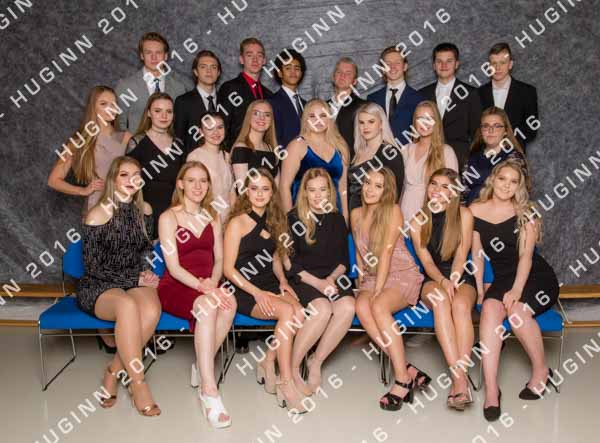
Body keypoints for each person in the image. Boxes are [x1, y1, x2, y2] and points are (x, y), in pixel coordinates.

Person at [470, 159, 559, 422]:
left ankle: (542, 372)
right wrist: (479, 290)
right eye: (502, 179)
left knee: (517, 312)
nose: (506, 185)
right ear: (493, 179)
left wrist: (517, 291)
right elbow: (476, 255)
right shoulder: (475, 210)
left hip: (535, 277)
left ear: (519, 186)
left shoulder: (526, 212)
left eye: (513, 181)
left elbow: (526, 258)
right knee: (489, 309)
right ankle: (491, 390)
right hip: (503, 277)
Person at [76, 156, 161, 416]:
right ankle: (138, 383)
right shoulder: (97, 215)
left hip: (132, 278)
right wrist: (134, 280)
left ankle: (113, 371)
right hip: (98, 285)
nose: (131, 180)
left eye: (136, 175)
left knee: (151, 309)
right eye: (124, 175)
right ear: (113, 179)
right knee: (126, 305)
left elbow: (144, 251)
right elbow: (92, 268)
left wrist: (146, 273)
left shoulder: (145, 210)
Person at [222, 169, 308, 413]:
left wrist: (282, 281)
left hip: (269, 283)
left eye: (265, 189)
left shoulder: (273, 219)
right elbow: (228, 269)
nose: (259, 194)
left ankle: (267, 361)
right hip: (244, 288)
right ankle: (286, 382)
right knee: (288, 314)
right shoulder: (237, 223)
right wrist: (257, 293)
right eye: (254, 188)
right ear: (246, 192)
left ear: (272, 193)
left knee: (300, 313)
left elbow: (274, 258)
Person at [157, 161, 235, 428]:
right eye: (191, 180)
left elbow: (219, 259)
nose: (198, 186)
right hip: (177, 284)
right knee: (209, 305)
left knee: (229, 303)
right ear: (180, 184)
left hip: (208, 283)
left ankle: (201, 366)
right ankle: (209, 390)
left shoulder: (213, 216)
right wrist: (204, 288)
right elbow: (173, 267)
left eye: (203, 180)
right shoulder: (168, 218)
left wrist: (213, 281)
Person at [352, 167, 429, 411]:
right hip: (372, 276)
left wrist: (378, 290)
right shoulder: (355, 214)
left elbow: (386, 253)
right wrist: (362, 281)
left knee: (378, 306)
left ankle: (402, 380)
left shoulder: (393, 211)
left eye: (378, 186)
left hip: (400, 273)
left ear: (386, 191)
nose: (370, 189)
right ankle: (406, 367)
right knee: (361, 306)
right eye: (367, 183)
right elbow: (360, 253)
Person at [409, 168, 476, 411]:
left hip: (459, 274)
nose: (437, 190)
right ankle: (459, 381)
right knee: (440, 301)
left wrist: (453, 279)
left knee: (460, 305)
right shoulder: (417, 221)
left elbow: (462, 253)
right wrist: (442, 281)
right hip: (432, 278)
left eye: (445, 186)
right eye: (434, 184)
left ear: (454, 192)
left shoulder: (464, 214)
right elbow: (426, 262)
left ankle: (460, 378)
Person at [285, 168, 356, 396]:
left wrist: (331, 279)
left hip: (331, 277)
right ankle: (292, 368)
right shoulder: (292, 218)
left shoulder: (337, 219)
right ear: (304, 192)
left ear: (330, 192)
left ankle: (315, 361)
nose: (317, 195)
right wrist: (319, 284)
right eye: (312, 190)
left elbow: (343, 261)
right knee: (322, 309)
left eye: (322, 190)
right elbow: (289, 264)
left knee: (348, 306)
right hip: (304, 278)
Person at [48, 86, 132, 215]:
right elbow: (53, 180)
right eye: (103, 104)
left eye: (113, 104)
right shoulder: (78, 141)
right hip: (97, 206)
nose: (111, 108)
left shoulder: (126, 137)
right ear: (93, 107)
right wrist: (82, 191)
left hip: (126, 205)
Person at [280, 99, 350, 221]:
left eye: (323, 115)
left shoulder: (340, 146)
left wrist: (345, 218)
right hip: (304, 216)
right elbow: (284, 186)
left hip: (334, 216)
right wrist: (290, 221)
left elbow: (343, 188)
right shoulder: (297, 145)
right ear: (305, 120)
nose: (318, 120)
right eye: (312, 116)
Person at [127, 92, 185, 238]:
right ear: (148, 113)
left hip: (172, 213)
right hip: (142, 213)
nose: (164, 116)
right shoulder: (136, 142)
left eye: (169, 111)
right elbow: (126, 183)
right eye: (158, 111)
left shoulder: (178, 144)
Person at [419, 43, 481, 167]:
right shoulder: (422, 94)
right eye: (439, 61)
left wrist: (470, 160)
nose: (444, 65)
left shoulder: (470, 93)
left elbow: (477, 133)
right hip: (426, 158)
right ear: (434, 65)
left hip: (459, 158)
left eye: (449, 61)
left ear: (456, 64)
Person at [115, 32, 189, 133]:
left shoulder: (179, 88)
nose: (154, 57)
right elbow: (119, 125)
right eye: (148, 52)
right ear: (142, 56)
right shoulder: (126, 86)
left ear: (166, 56)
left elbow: (182, 124)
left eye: (158, 52)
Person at [400, 100, 458, 223]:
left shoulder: (446, 152)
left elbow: (453, 191)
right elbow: (401, 188)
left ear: (436, 122)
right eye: (420, 118)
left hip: (432, 214)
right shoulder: (406, 149)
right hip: (405, 210)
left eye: (429, 118)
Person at [462, 107, 529, 206]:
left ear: (505, 131)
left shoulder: (514, 158)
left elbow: (518, 195)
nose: (491, 130)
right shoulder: (471, 156)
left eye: (497, 126)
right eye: (486, 126)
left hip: (501, 212)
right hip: (471, 210)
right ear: (481, 131)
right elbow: (463, 194)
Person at [479, 42, 539, 152]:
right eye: (494, 63)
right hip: (485, 154)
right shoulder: (478, 93)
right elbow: (474, 128)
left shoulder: (527, 92)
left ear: (510, 64)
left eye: (502, 63)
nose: (497, 67)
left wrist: (506, 143)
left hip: (514, 154)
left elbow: (531, 129)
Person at [348, 102, 405, 212]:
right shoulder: (355, 152)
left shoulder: (390, 153)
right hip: (354, 212)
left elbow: (394, 194)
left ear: (381, 124)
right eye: (361, 122)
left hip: (378, 214)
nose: (365, 127)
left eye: (371, 122)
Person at [218, 37, 273, 150]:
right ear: (241, 59)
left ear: (264, 60)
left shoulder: (269, 94)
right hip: (236, 152)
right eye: (249, 55)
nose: (255, 60)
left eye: (259, 55)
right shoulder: (229, 88)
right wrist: (228, 154)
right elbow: (222, 125)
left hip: (263, 153)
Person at [367, 46, 423, 143]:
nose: (392, 67)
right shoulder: (372, 99)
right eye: (388, 64)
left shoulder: (419, 99)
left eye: (397, 63)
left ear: (405, 66)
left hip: (408, 151)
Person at [187, 112, 235, 221]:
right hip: (205, 219)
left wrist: (233, 219)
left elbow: (232, 192)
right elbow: (192, 195)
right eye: (210, 128)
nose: (216, 132)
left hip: (228, 220)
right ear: (201, 131)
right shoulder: (195, 157)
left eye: (220, 127)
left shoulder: (227, 156)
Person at [174, 50, 222, 153]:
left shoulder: (226, 100)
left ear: (218, 72)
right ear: (195, 72)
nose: (209, 71)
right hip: (193, 159)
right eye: (203, 67)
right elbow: (179, 139)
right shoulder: (183, 102)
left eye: (213, 67)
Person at [230, 100, 280, 185]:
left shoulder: (271, 149)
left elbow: (276, 188)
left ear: (271, 121)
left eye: (267, 115)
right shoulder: (241, 148)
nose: (262, 118)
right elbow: (242, 188)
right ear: (248, 117)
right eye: (256, 113)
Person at [327, 57, 367, 159]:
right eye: (339, 72)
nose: (342, 76)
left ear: (355, 81)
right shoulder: (323, 106)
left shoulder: (363, 107)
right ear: (333, 77)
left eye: (348, 73)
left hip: (352, 163)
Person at [268, 48, 308, 149]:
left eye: (297, 68)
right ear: (279, 73)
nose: (293, 72)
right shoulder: (272, 102)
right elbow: (273, 139)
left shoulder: (306, 104)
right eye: (288, 68)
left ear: (301, 73)